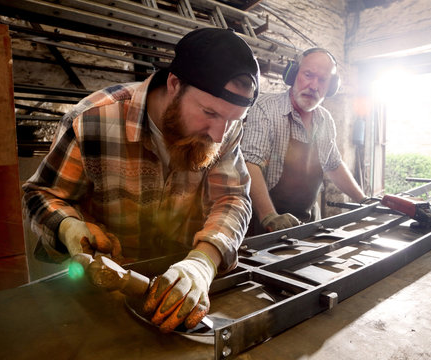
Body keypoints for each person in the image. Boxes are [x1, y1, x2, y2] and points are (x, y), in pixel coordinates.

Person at [22, 28, 260, 333]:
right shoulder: (93, 119)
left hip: (178, 283)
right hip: (98, 292)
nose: (218, 134)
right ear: (175, 84)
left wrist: (202, 262)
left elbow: (233, 198)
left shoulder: (224, 129)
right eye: (209, 113)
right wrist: (68, 226)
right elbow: (41, 193)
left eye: (232, 120)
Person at [241, 48, 366, 235]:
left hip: (306, 224)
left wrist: (363, 200)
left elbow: (333, 165)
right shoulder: (266, 108)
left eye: (322, 80)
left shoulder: (325, 119)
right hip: (263, 227)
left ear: (331, 86)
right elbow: (251, 163)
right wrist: (269, 217)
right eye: (308, 75)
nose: (314, 85)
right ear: (293, 74)